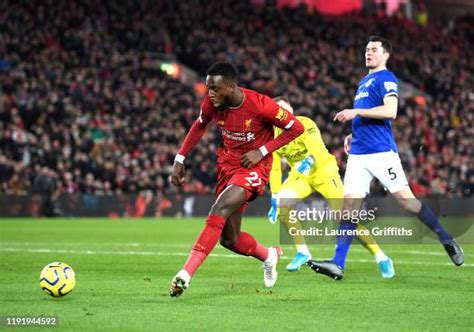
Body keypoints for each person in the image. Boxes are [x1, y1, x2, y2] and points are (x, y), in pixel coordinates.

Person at [308, 36, 464, 280]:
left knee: (407, 202)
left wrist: (355, 111)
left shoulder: (386, 78)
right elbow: (369, 116)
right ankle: (338, 264)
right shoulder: (363, 81)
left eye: (373, 50)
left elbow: (390, 111)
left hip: (381, 152)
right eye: (366, 49)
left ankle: (446, 238)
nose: (367, 53)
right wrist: (352, 133)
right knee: (349, 208)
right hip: (359, 154)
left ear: (385, 55)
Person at [169, 62, 304, 297]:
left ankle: (185, 274)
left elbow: (296, 128)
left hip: (255, 166)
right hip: (226, 165)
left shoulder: (261, 105)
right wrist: (180, 158)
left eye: (215, 88)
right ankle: (269, 255)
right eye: (208, 87)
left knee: (219, 208)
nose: (210, 93)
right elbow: (199, 126)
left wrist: (262, 151)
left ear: (231, 87)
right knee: (230, 240)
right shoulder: (212, 103)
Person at [268, 97, 394, 278]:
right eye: (281, 111)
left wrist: (309, 160)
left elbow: (316, 148)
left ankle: (381, 257)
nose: (287, 114)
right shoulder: (273, 135)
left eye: (288, 110)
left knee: (345, 216)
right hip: (301, 175)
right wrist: (274, 195)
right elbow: (274, 168)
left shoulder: (305, 123)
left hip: (323, 170)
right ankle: (303, 252)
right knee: (282, 205)